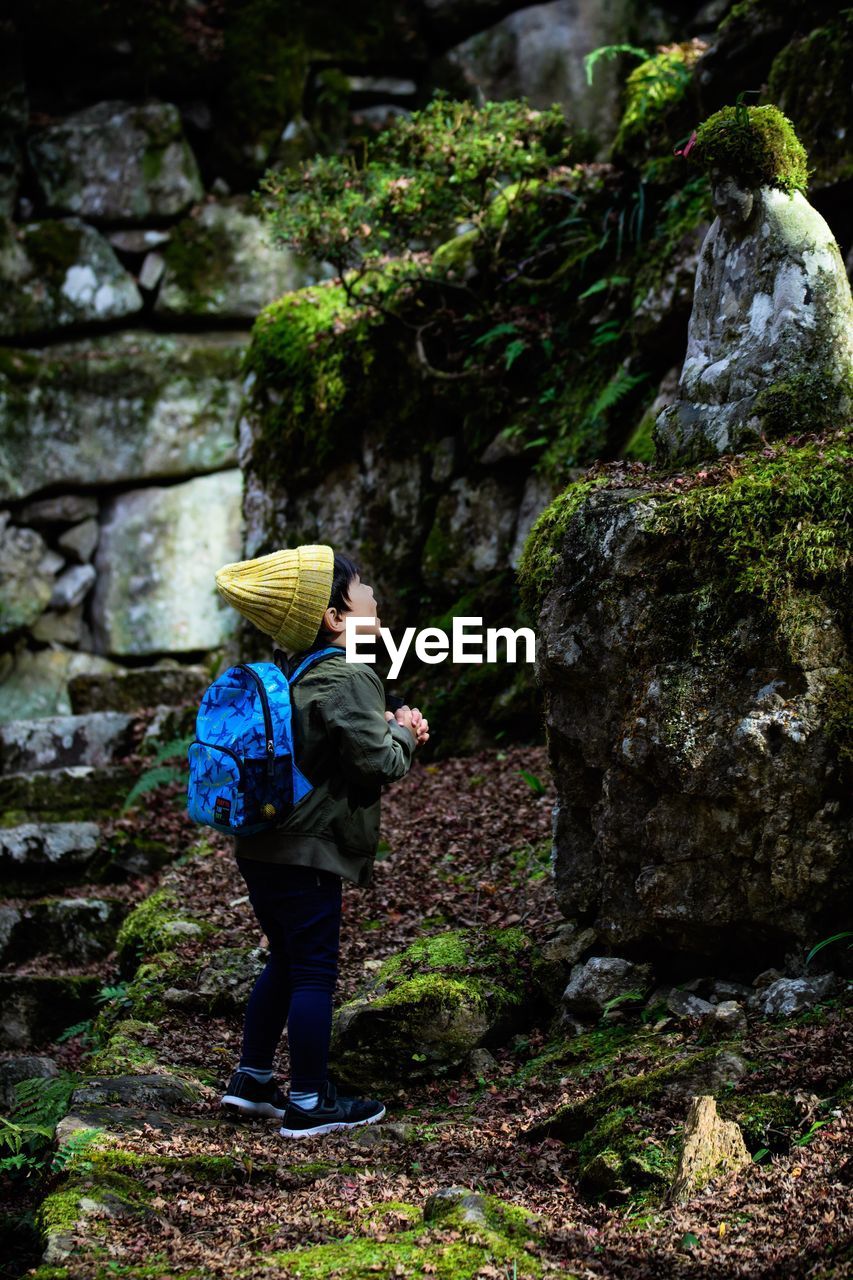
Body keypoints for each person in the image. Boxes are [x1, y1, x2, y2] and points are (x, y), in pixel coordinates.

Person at [212, 544, 429, 1137]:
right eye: (365, 597)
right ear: (335, 617)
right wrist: (406, 734)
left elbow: (329, 745)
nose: (376, 603)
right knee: (313, 970)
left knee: (285, 957)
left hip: (262, 845)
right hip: (307, 851)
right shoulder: (348, 674)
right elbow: (376, 764)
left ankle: (253, 1079)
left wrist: (384, 731)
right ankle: (309, 1101)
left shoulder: (293, 672)